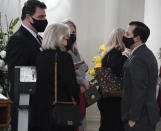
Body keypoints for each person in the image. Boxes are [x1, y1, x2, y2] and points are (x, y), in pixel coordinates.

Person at [6, 0, 48, 130]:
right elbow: (17, 75)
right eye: (41, 17)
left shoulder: (38, 39)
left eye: (45, 16)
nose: (45, 20)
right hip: (26, 105)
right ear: (29, 17)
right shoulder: (18, 40)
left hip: (38, 104)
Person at [30, 23, 80, 131]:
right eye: (66, 38)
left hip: (39, 112)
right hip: (58, 111)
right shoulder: (64, 57)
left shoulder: (39, 56)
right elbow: (71, 86)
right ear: (60, 38)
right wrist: (78, 98)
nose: (67, 42)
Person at [121, 21, 160, 131]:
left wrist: (133, 119)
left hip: (139, 119)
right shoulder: (142, 53)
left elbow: (139, 91)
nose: (124, 36)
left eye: (127, 34)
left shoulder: (139, 58)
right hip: (142, 116)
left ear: (137, 38)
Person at [97, 28, 130, 131]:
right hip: (113, 99)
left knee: (107, 124)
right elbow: (115, 68)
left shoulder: (108, 53)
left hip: (106, 96)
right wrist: (125, 56)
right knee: (114, 125)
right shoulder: (116, 53)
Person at [63, 19, 89, 131]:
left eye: (74, 33)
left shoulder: (75, 50)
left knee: (81, 120)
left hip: (80, 91)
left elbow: (85, 67)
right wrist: (81, 80)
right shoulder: (62, 51)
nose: (72, 35)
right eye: (69, 33)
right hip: (71, 92)